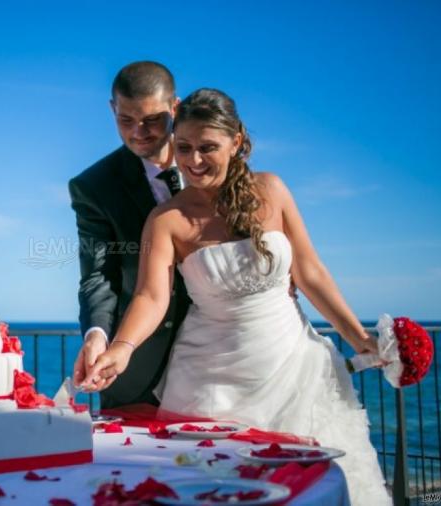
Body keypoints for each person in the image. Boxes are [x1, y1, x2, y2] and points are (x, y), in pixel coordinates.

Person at [82, 88, 391, 505]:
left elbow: (311, 273)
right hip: (210, 386)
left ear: (237, 141)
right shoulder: (166, 219)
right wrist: (121, 347)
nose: (193, 161)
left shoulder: (273, 190)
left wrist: (360, 340)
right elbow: (151, 297)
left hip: (297, 372)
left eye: (207, 148)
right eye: (185, 147)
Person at [69, 61, 190, 408]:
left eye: (152, 120)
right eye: (126, 120)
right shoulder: (93, 186)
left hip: (220, 357)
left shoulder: (209, 164)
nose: (139, 132)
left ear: (175, 107)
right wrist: (97, 335)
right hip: (134, 370)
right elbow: (98, 273)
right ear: (112, 109)